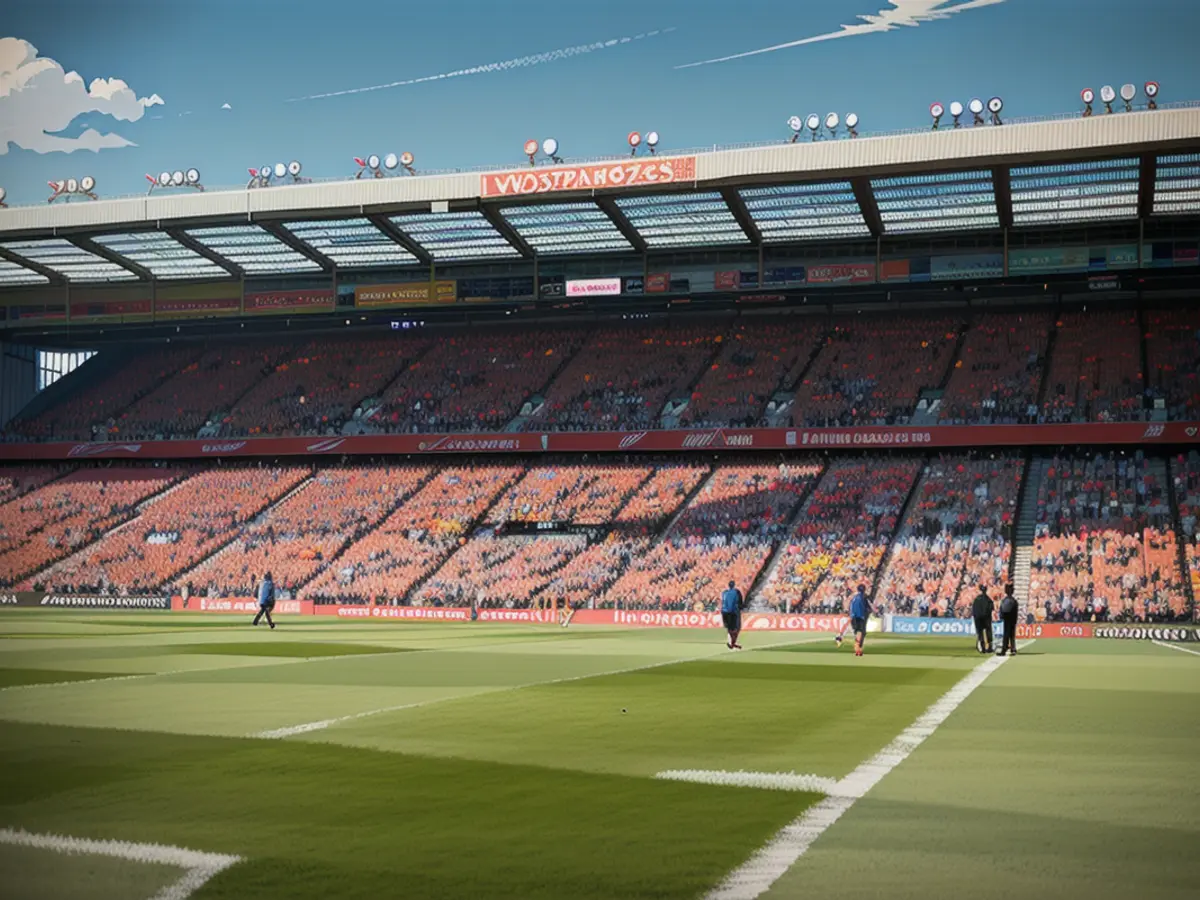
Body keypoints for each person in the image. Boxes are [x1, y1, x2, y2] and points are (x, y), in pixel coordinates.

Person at [720, 580, 744, 650]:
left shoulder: (724, 592)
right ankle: (732, 643)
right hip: (733, 612)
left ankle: (731, 642)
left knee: (729, 628)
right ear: (734, 585)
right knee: (737, 628)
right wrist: (741, 608)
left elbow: (723, 601)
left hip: (724, 612)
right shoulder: (736, 592)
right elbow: (740, 602)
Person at [849, 583, 870, 657]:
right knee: (861, 632)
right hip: (860, 616)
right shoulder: (864, 597)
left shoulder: (854, 597)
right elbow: (868, 607)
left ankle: (857, 648)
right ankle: (858, 648)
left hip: (853, 617)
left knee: (857, 632)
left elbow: (850, 607)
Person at [972, 585, 994, 654]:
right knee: (988, 632)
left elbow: (974, 610)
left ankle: (983, 648)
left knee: (980, 633)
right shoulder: (988, 599)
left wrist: (976, 617)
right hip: (986, 618)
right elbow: (991, 608)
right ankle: (989, 647)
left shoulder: (977, 599)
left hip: (978, 619)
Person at [998, 584, 1019, 656]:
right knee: (1012, 635)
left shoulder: (1004, 600)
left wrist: (1001, 617)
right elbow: (1016, 611)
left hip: (1007, 620)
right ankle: (1012, 649)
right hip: (1012, 620)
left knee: (1006, 635)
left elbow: (1002, 610)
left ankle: (1004, 649)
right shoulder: (1014, 601)